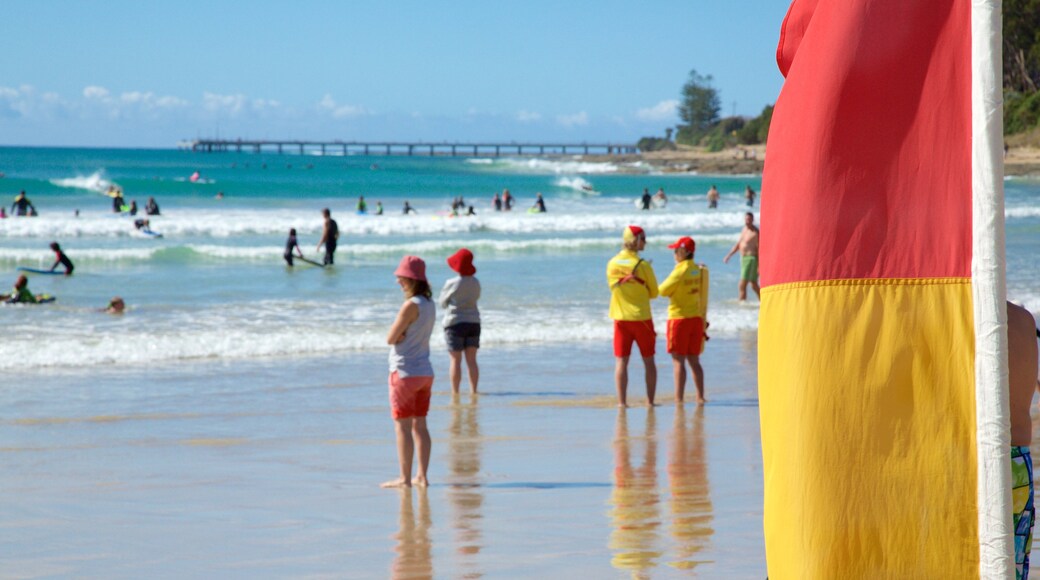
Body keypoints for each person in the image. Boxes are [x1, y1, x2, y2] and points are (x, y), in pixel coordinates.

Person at [383, 255, 436, 488]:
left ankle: (405, 479)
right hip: (425, 370)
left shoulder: (410, 305)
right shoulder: (429, 304)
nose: (398, 282)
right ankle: (422, 476)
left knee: (402, 426)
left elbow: (390, 338)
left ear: (411, 280)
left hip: (404, 371)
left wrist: (400, 335)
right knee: (420, 425)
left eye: (401, 278)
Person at [607, 225, 659, 407]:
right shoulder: (643, 265)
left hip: (620, 319)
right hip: (642, 318)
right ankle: (650, 402)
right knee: (649, 360)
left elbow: (612, 287)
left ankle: (622, 403)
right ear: (635, 240)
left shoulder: (612, 263)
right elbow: (654, 292)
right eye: (643, 238)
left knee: (621, 361)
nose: (645, 242)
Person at [658, 237, 709, 405]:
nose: (674, 254)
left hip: (678, 319)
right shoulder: (698, 269)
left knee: (678, 361)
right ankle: (700, 397)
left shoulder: (679, 270)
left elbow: (662, 290)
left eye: (676, 250)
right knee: (694, 360)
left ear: (685, 252)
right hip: (695, 319)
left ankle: (678, 398)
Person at [1009, 302, 1039, 578]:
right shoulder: (1025, 320)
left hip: (971, 456)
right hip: (1018, 460)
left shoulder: (960, 320)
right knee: (1012, 566)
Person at [439, 249, 481, 394]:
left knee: (455, 361)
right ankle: (473, 391)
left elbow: (442, 303)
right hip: (474, 322)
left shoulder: (452, 283)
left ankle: (455, 392)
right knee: (472, 361)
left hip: (455, 322)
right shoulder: (476, 282)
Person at [723, 212, 761, 301]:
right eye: (746, 219)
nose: (747, 221)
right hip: (744, 259)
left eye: (749, 219)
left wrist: (759, 265)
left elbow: (759, 249)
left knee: (742, 283)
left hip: (751, 259)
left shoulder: (755, 232)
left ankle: (741, 303)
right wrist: (729, 255)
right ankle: (763, 301)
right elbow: (739, 244)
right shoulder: (744, 229)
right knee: (753, 283)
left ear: (752, 220)